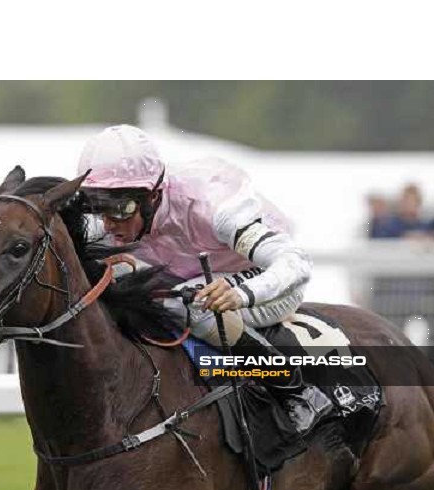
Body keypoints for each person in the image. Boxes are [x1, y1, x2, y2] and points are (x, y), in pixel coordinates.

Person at [76, 124, 331, 432]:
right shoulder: (122, 214)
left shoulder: (213, 208)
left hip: (267, 281)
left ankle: (296, 389)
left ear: (153, 196)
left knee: (191, 303)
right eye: (97, 208)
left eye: (121, 208)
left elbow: (296, 263)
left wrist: (242, 294)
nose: (109, 222)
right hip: (200, 276)